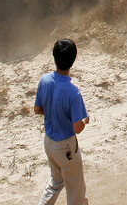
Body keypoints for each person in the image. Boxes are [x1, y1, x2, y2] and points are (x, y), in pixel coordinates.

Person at [34, 38, 90, 205]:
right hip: (66, 147)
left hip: (49, 143)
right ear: (73, 60)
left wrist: (52, 112)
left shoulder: (44, 80)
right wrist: (84, 120)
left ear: (54, 56)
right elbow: (77, 128)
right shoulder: (73, 93)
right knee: (76, 190)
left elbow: (37, 109)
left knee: (55, 182)